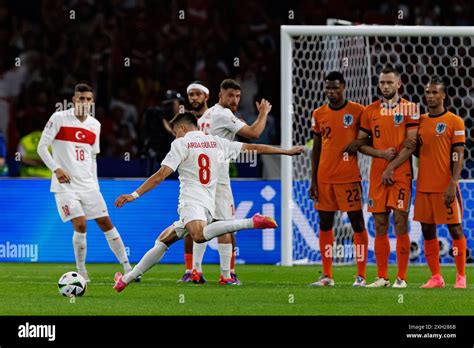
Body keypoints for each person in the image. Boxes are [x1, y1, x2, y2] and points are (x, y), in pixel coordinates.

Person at [112, 112, 304, 292]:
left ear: (182, 128)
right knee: (163, 241)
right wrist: (285, 151)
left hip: (191, 202)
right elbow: (254, 148)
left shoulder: (181, 144)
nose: (175, 136)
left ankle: (250, 222)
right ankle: (126, 280)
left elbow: (161, 175)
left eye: (175, 132)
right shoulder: (217, 142)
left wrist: (134, 195)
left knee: (198, 236)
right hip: (207, 205)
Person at [37, 83, 133, 282]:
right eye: (81, 98)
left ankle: (127, 267)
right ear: (73, 100)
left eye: (88, 99)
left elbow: (92, 157)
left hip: (89, 185)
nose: (85, 102)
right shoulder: (59, 118)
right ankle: (81, 271)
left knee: (106, 222)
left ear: (92, 102)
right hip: (65, 185)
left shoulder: (94, 124)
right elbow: (41, 148)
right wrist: (56, 169)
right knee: (80, 224)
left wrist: (95, 185)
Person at [346, 66, 419, 288]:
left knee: (399, 222)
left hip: (401, 174)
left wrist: (391, 167)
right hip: (377, 174)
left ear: (399, 84)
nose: (385, 86)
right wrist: (380, 154)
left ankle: (402, 278)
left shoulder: (411, 109)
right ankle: (382, 277)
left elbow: (411, 144)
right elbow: (359, 144)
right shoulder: (369, 111)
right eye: (382, 83)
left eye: (389, 82)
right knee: (379, 224)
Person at [194, 79, 272, 285]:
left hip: (202, 177)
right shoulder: (223, 114)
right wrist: (263, 113)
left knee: (202, 223)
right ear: (220, 95)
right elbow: (255, 134)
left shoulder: (207, 114)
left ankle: (196, 270)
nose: (235, 100)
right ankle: (226, 275)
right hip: (218, 178)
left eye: (238, 96)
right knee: (226, 225)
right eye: (231, 95)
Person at [307, 71, 369, 287]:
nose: (331, 92)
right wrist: (313, 180)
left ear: (343, 87)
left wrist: (359, 143)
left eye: (335, 88)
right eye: (328, 88)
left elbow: (369, 136)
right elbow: (316, 148)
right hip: (324, 179)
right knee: (325, 223)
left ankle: (360, 276)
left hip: (349, 178)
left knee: (357, 223)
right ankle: (327, 275)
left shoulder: (358, 111)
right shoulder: (318, 113)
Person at [412, 77, 467, 289]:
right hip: (424, 185)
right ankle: (436, 277)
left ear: (443, 95)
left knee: (455, 229)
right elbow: (421, 151)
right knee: (427, 230)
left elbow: (458, 153)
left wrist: (453, 181)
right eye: (428, 92)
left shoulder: (455, 121)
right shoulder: (420, 121)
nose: (431, 96)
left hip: (446, 185)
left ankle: (460, 275)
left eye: (435, 92)